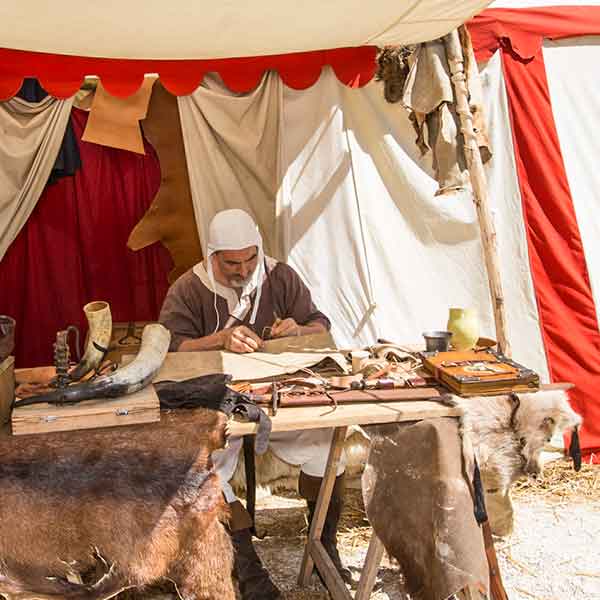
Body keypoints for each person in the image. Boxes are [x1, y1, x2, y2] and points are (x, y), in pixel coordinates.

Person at [159, 209, 350, 599]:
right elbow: (170, 347)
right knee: (204, 469)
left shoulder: (278, 276)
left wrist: (299, 329)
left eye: (250, 259)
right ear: (212, 256)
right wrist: (220, 339)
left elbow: (320, 324)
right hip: (216, 406)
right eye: (231, 263)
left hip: (275, 400)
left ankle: (322, 543)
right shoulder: (188, 288)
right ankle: (249, 572)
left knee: (326, 443)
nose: (242, 269)